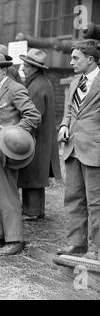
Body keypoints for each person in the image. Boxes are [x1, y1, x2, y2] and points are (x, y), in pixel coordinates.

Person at [0, 52, 41, 255]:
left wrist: (14, 134)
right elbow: (0, 118)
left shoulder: (15, 88)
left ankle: (15, 240)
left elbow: (33, 116)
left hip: (7, 150)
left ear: (4, 69)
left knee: (8, 194)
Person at [57, 39, 100, 260]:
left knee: (96, 202)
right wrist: (64, 125)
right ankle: (76, 244)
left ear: (90, 59)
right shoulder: (75, 83)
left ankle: (96, 249)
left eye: (76, 58)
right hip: (73, 148)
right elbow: (69, 112)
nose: (71, 61)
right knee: (73, 197)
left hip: (95, 150)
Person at [18, 49, 61, 221]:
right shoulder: (41, 82)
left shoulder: (36, 86)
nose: (23, 68)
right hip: (42, 137)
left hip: (37, 138)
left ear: (35, 68)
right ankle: (35, 210)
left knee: (33, 174)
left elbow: (34, 115)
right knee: (35, 173)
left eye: (26, 66)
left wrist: (20, 130)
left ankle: (32, 212)